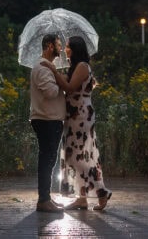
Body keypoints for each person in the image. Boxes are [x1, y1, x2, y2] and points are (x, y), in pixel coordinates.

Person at [44, 35, 112, 212]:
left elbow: (69, 88)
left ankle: (101, 191)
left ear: (75, 49)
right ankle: (82, 198)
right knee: (75, 155)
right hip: (73, 115)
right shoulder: (76, 67)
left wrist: (53, 71)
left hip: (81, 116)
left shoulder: (82, 66)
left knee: (77, 156)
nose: (65, 50)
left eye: (68, 47)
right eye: (65, 46)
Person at [29, 33, 66, 213]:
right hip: (46, 120)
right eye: (58, 44)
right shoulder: (42, 68)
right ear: (50, 46)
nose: (61, 48)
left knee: (49, 160)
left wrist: (56, 73)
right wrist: (61, 79)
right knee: (47, 160)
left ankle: (46, 198)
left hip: (50, 119)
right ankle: (43, 200)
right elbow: (51, 92)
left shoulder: (48, 67)